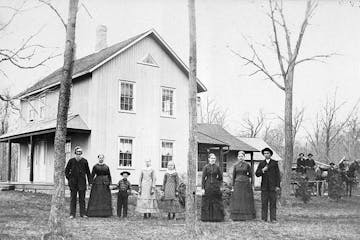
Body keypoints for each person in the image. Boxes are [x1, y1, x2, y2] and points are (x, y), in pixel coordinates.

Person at [65, 146, 92, 218]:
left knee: (82, 199)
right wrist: (69, 179)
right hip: (73, 183)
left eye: (80, 152)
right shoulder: (71, 161)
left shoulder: (84, 161)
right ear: (75, 153)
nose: (79, 154)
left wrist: (90, 182)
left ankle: (83, 213)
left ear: (81, 153)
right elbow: (66, 171)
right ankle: (72, 214)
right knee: (73, 199)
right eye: (77, 152)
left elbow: (88, 173)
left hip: (82, 183)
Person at [255, 147, 281, 223]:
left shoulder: (274, 163)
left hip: (273, 186)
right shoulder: (261, 163)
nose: (266, 155)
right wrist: (262, 170)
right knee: (264, 203)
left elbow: (278, 175)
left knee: (273, 203)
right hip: (264, 187)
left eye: (268, 153)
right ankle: (264, 218)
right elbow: (257, 174)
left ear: (270, 154)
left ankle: (273, 218)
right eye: (265, 153)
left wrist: (277, 186)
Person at [230, 151, 256, 221]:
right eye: (239, 156)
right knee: (238, 199)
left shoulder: (247, 165)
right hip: (237, 184)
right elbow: (233, 176)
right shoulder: (235, 165)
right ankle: (237, 216)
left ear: (244, 157)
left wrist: (252, 184)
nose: (240, 158)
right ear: (237, 157)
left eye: (242, 156)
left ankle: (246, 216)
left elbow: (251, 175)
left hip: (245, 184)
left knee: (245, 199)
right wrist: (232, 186)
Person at [201, 153, 224, 222]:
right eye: (211, 158)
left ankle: (216, 217)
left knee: (216, 201)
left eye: (214, 158)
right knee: (207, 201)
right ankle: (207, 218)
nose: (213, 160)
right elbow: (203, 178)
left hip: (215, 186)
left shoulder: (217, 167)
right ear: (209, 159)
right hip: (207, 186)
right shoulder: (206, 167)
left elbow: (220, 177)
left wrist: (218, 184)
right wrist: (202, 188)